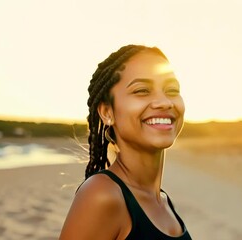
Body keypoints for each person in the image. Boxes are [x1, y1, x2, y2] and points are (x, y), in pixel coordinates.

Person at [60, 44, 192, 240]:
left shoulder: (162, 200)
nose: (164, 102)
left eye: (172, 89)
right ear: (107, 112)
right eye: (142, 90)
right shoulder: (102, 195)